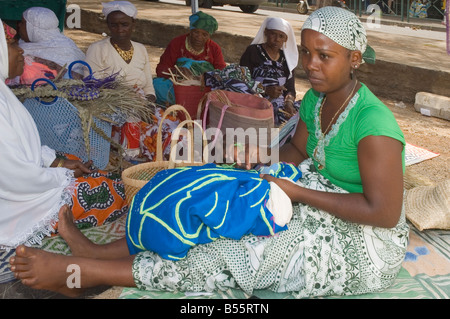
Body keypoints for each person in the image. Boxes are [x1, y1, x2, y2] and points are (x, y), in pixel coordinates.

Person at [9, 7, 409, 299]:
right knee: (199, 191)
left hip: (361, 238)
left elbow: (384, 213)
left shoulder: (374, 124)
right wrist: (250, 168)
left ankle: (85, 271)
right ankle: (99, 251)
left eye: (325, 56)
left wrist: (296, 193)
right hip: (310, 194)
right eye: (306, 53)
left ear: (355, 59)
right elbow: (296, 150)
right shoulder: (316, 100)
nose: (310, 65)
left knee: (230, 252)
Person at [0, 20, 128, 251]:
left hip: (27, 178)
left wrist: (60, 162)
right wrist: (61, 177)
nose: (21, 50)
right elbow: (11, 173)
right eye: (10, 44)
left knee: (83, 166)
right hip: (17, 199)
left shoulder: (3, 93)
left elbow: (22, 148)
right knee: (111, 192)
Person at [85, 1, 178, 162]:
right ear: (107, 25)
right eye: (114, 25)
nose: (120, 29)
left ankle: (167, 165)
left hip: (142, 105)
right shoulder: (97, 49)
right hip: (112, 109)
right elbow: (91, 85)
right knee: (136, 126)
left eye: (124, 24)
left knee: (173, 128)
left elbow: (149, 85)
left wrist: (147, 103)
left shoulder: (141, 49)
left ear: (133, 24)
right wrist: (128, 104)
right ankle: (134, 162)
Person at [153, 11, 226, 105]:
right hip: (179, 86)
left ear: (209, 36)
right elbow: (160, 69)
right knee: (157, 84)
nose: (199, 37)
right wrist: (176, 72)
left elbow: (222, 72)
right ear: (190, 30)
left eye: (204, 35)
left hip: (203, 88)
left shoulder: (214, 48)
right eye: (196, 32)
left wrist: (206, 77)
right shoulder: (177, 43)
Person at [240, 17, 299, 126]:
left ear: (285, 39)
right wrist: (265, 90)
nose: (276, 39)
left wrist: (289, 103)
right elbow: (241, 81)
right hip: (254, 102)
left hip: (280, 105)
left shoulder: (287, 60)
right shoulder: (253, 51)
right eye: (273, 34)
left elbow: (290, 89)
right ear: (266, 32)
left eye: (281, 36)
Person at [11, 7, 86, 85]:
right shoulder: (23, 44)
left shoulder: (65, 48)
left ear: (33, 28)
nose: (19, 25)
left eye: (23, 23)